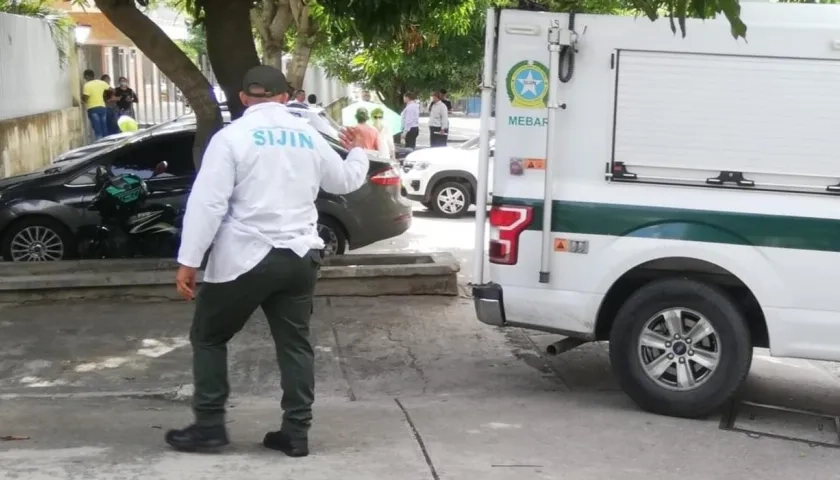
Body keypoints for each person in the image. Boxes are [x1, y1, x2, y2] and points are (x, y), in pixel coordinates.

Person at [164, 65, 369, 457]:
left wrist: (189, 260)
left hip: (245, 257)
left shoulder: (231, 138)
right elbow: (344, 181)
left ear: (243, 98)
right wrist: (358, 148)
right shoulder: (308, 135)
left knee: (209, 336)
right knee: (294, 344)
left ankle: (208, 426)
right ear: (284, 96)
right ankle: (295, 432)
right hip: (300, 257)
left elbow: (208, 203)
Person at [81, 70, 111, 140]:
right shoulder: (101, 83)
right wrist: (105, 96)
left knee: (97, 129)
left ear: (87, 76)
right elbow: (112, 90)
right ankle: (107, 142)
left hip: (93, 109)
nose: (84, 79)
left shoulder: (87, 85)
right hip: (102, 108)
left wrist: (82, 98)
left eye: (85, 77)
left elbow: (85, 98)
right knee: (104, 127)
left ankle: (101, 145)